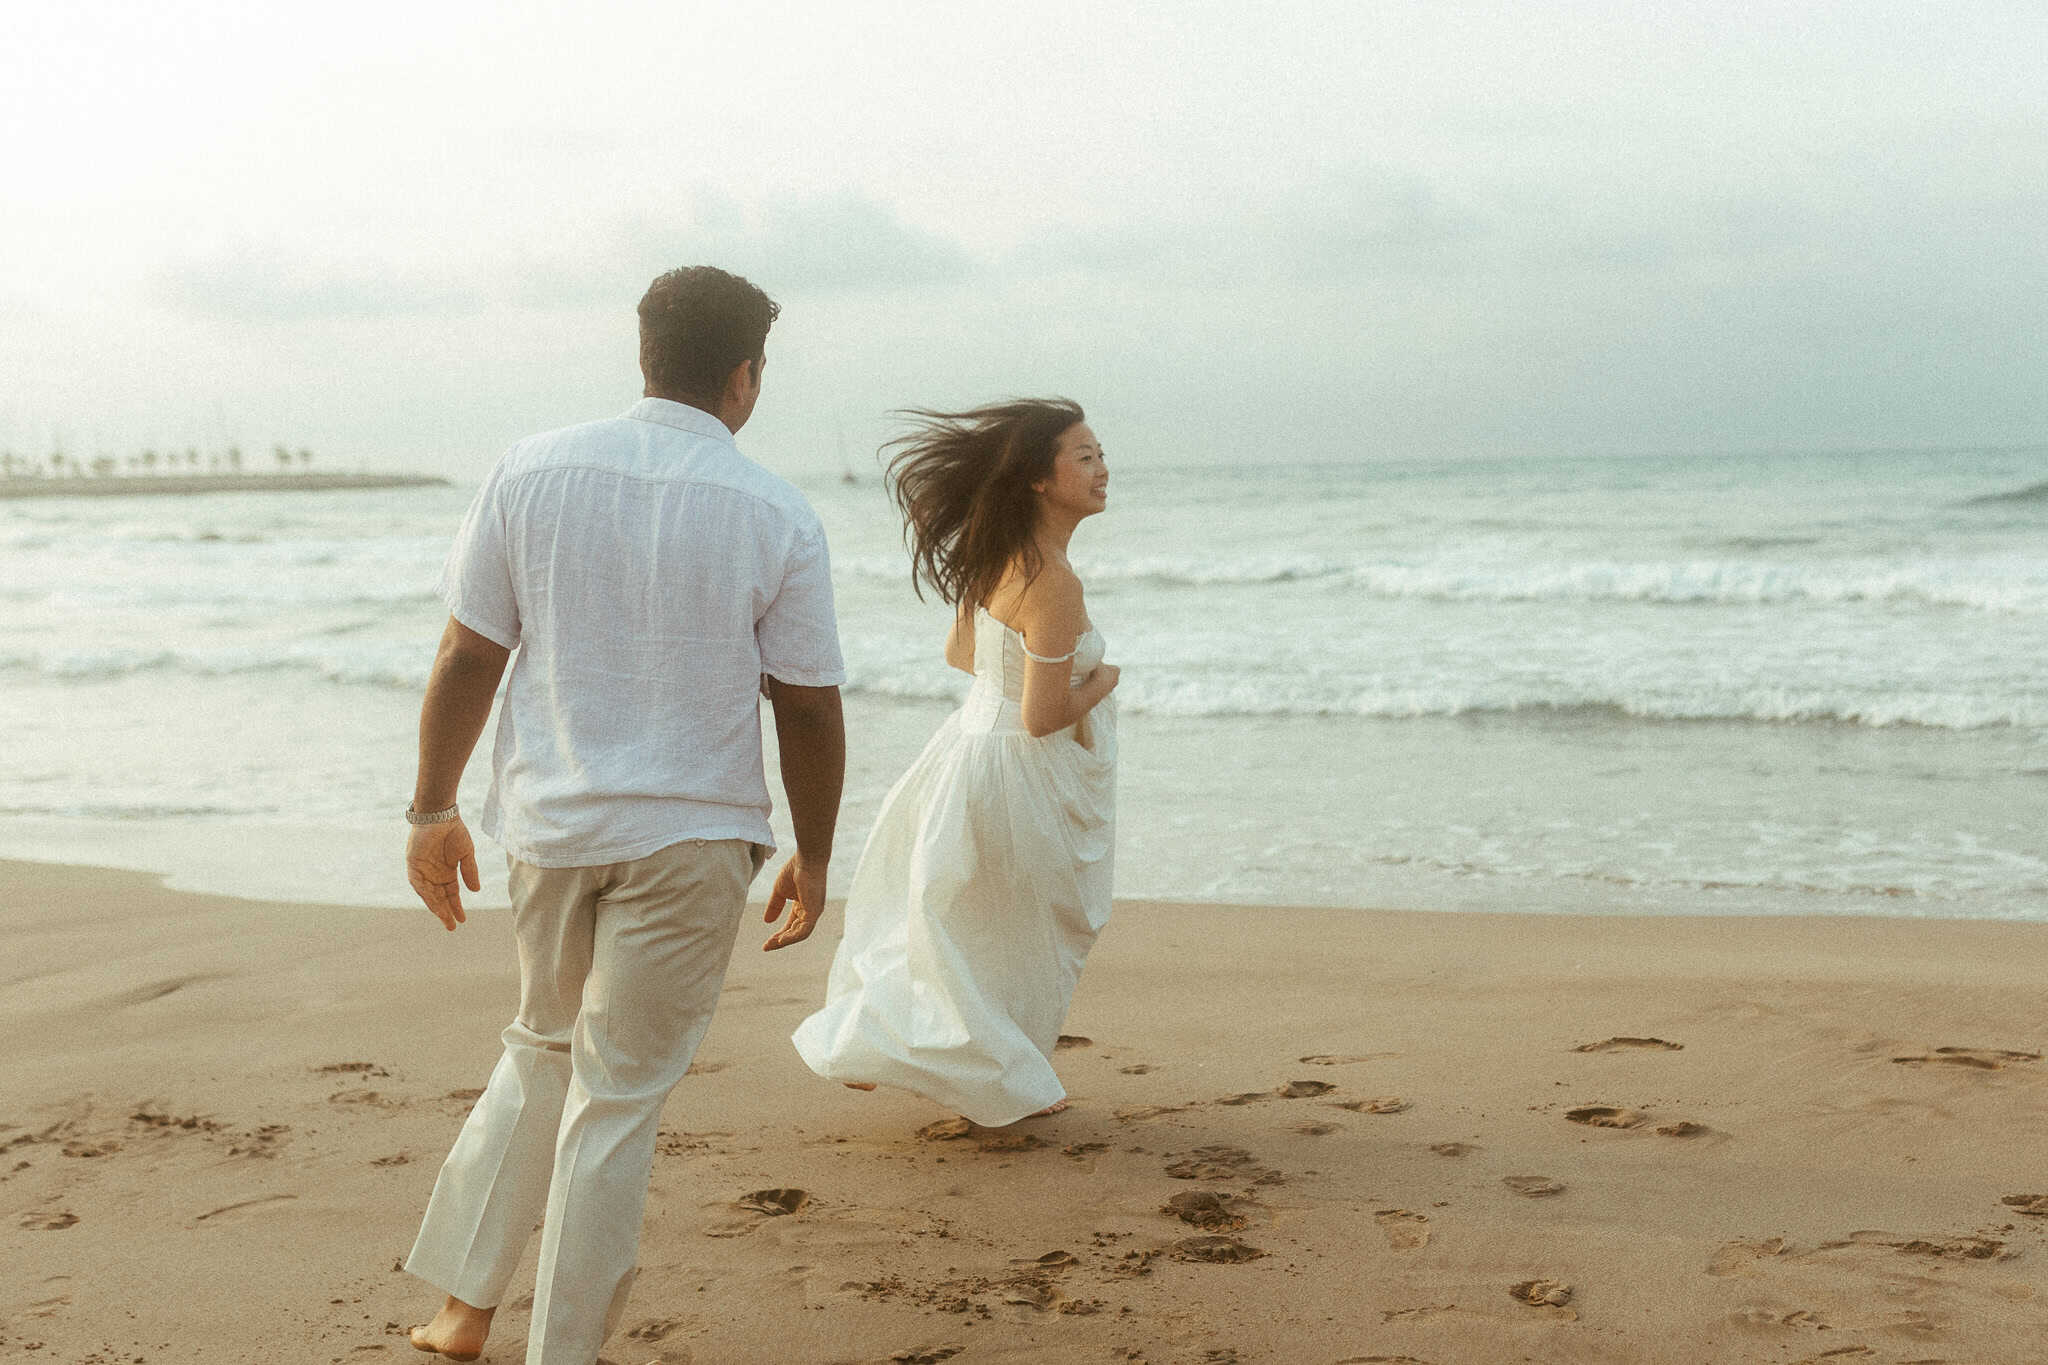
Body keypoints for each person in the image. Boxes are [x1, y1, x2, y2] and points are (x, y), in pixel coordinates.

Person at [399, 266, 847, 1363]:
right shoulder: (774, 510)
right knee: (618, 1098)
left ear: (644, 355)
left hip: (550, 828)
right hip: (691, 837)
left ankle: (464, 1312)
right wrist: (815, 853)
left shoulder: (531, 469)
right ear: (744, 377)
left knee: (540, 1046)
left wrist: (429, 808)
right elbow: (806, 705)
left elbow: (469, 652)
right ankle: (563, 1351)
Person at [792, 399, 1118, 1126]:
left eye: (1100, 454)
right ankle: (976, 1069)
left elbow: (959, 654)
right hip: (1011, 768)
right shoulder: (1054, 579)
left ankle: (983, 1069)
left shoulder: (1001, 558)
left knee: (975, 925)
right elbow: (1040, 718)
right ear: (1040, 477)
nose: (1103, 469)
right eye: (1086, 456)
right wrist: (1103, 683)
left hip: (968, 753)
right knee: (1020, 927)